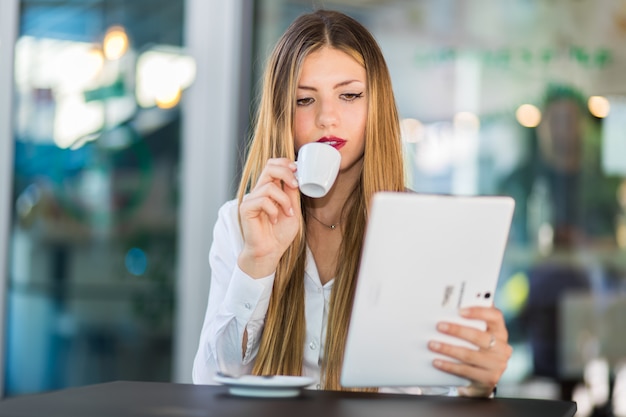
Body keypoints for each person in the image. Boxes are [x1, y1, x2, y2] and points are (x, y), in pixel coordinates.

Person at [192, 9, 511, 397]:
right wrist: (258, 263)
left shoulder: (425, 229)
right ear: (281, 115)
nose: (328, 118)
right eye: (304, 100)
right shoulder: (241, 223)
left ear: (375, 105)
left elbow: (446, 391)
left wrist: (475, 385)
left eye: (350, 95)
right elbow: (209, 382)